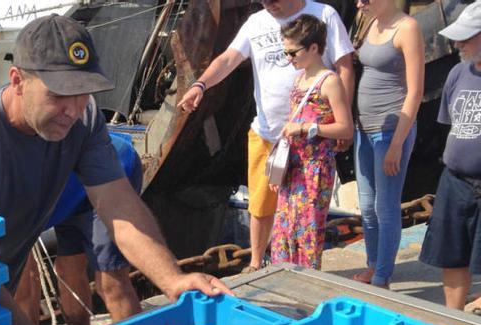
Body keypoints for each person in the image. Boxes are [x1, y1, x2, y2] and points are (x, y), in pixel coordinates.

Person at [0, 14, 230, 325]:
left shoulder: (83, 118)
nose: (73, 109)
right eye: (58, 95)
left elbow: (118, 206)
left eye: (83, 92)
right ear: (17, 80)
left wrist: (173, 280)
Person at [178, 0, 354, 273]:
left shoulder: (324, 15)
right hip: (268, 132)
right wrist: (201, 84)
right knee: (263, 203)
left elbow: (344, 66)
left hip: (310, 144)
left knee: (305, 213)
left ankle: (305, 270)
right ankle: (257, 261)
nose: (268, 5)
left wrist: (342, 120)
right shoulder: (256, 22)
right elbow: (227, 59)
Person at [15, 133, 144, 325]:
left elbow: (26, 290)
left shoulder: (10, 208)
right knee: (67, 270)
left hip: (110, 171)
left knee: (110, 281)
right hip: (66, 195)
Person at [270, 16, 353, 269]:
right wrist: (277, 171)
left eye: (293, 52)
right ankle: (284, 278)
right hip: (294, 167)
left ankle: (305, 283)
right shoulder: (299, 79)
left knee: (307, 234)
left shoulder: (329, 81)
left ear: (314, 48)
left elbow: (346, 128)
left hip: (315, 169)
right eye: (286, 52)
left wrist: (308, 128)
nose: (289, 58)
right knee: (284, 232)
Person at [351, 0, 425, 288]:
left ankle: (383, 275)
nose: (360, 4)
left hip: (391, 130)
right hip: (364, 129)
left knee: (386, 205)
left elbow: (415, 91)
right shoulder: (370, 22)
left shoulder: (407, 28)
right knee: (367, 206)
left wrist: (397, 143)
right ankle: (373, 263)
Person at [418, 2, 481, 310]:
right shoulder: (457, 73)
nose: (457, 45)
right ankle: (453, 321)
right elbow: (451, 126)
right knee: (452, 256)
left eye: (466, 38)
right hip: (455, 182)